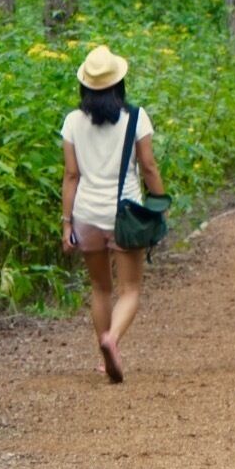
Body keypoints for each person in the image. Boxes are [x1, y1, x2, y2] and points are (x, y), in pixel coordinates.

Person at [61, 44, 164, 383]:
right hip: (125, 214)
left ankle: (105, 360)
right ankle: (112, 339)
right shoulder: (136, 117)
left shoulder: (73, 122)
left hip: (86, 214)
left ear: (85, 87)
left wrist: (66, 225)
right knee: (130, 288)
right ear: (119, 84)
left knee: (99, 288)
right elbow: (148, 166)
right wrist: (160, 202)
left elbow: (71, 175)